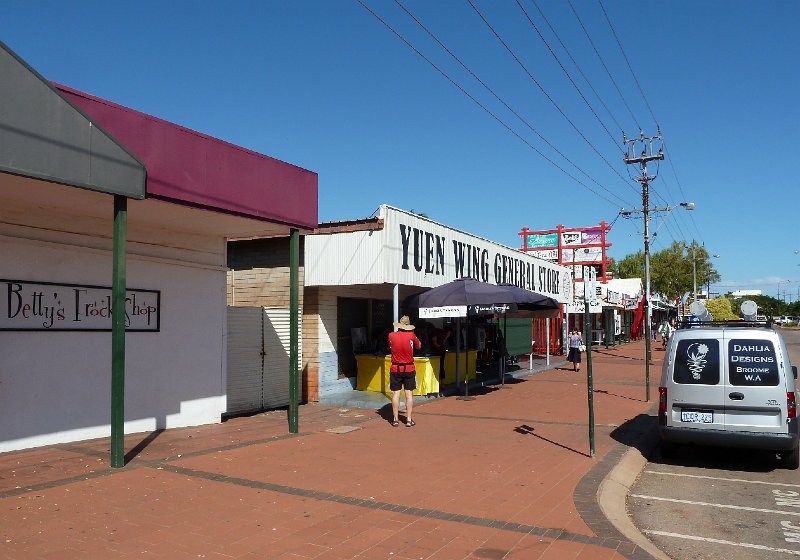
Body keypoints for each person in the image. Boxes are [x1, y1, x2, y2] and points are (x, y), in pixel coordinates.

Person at [388, 315, 422, 427]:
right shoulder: (411, 335)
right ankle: (408, 419)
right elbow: (419, 346)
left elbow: (390, 346)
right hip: (409, 368)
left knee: (396, 393)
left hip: (395, 368)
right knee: (409, 394)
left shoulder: (391, 335)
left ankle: (395, 419)